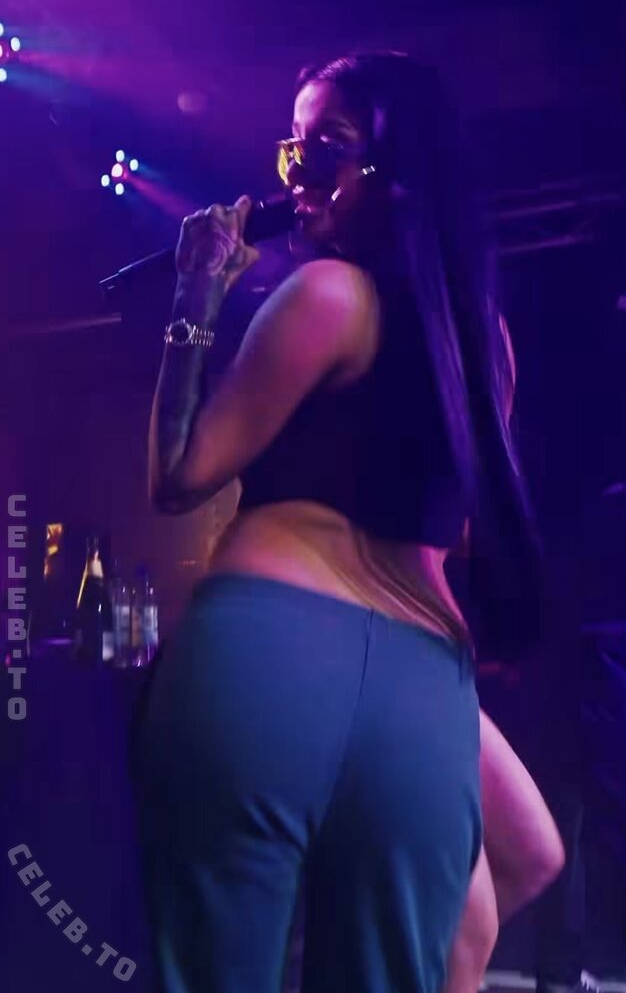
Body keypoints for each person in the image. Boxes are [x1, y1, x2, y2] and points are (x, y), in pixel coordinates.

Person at [133, 51, 548, 993]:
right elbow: (463, 532)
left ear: (399, 167)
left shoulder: (326, 295)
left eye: (326, 148)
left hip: (270, 651)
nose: (297, 176)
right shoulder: (484, 343)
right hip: (424, 685)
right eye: (293, 151)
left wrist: (196, 296)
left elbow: (178, 476)